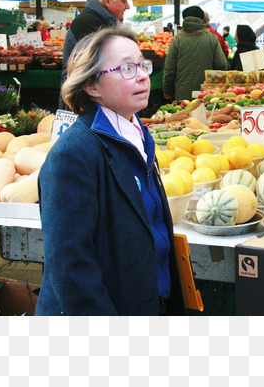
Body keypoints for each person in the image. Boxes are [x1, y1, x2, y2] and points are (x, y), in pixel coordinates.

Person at [37, 27, 185, 316]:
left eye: (143, 65)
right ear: (92, 86)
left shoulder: (138, 136)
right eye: (127, 68)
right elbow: (71, 269)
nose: (143, 75)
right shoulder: (72, 156)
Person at [59, 0, 130, 109]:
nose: (128, 6)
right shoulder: (89, 24)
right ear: (108, 1)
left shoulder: (99, 21)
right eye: (124, 1)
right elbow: (96, 71)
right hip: (86, 106)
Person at [163, 6, 228, 101]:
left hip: (183, 92)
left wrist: (168, 89)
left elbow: (169, 70)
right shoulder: (212, 38)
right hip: (207, 93)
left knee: (185, 114)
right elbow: (222, 65)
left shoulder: (177, 40)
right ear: (202, 19)